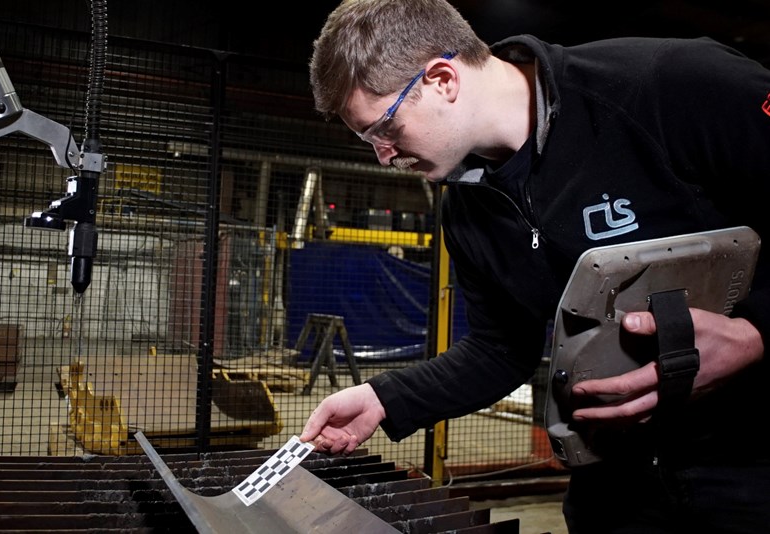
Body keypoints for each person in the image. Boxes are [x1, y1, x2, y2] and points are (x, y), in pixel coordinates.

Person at [298, 1, 770, 532]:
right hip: (618, 488)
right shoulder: (467, 210)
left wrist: (756, 333)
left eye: (384, 128)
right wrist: (383, 398)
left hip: (752, 466)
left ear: (442, 78)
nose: (383, 156)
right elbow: (501, 350)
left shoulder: (673, 87)